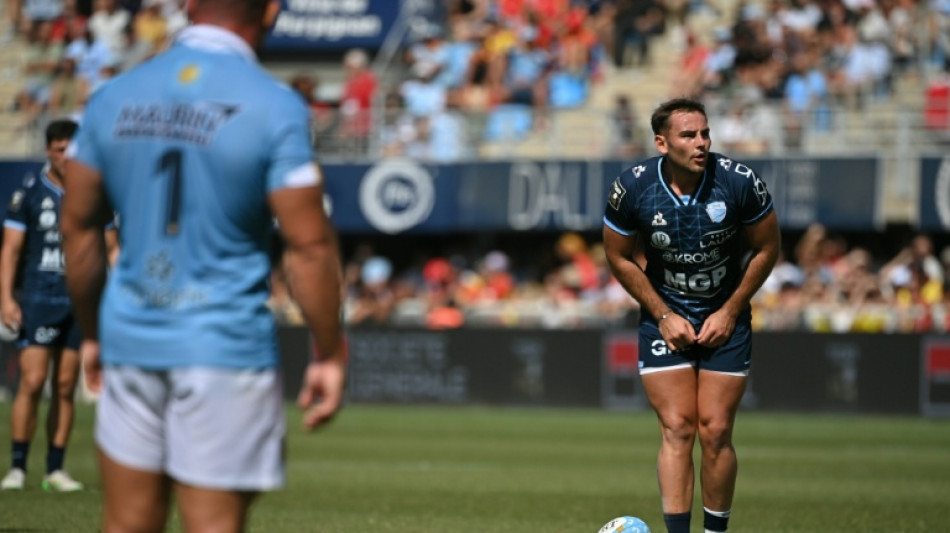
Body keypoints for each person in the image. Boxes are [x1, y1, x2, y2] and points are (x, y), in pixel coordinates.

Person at [60, 0, 348, 529]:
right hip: (224, 347)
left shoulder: (112, 97)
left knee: (125, 523)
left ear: (189, 4)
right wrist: (329, 351)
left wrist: (94, 332)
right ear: (270, 12)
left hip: (131, 339)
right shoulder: (275, 105)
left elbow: (78, 228)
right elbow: (309, 247)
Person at [601, 98, 780, 533]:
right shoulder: (632, 188)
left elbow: (768, 248)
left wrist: (730, 311)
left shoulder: (739, 182)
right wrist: (663, 314)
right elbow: (618, 257)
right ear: (662, 143)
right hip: (665, 316)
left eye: (705, 133)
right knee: (678, 428)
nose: (701, 143)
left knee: (715, 431)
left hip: (726, 316)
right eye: (688, 135)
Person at [0, 119, 93, 492]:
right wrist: (6, 297)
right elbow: (10, 249)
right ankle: (18, 467)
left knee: (66, 384)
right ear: (48, 151)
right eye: (59, 150)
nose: (66, 157)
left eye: (72, 150)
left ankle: (55, 470)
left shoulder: (93, 192)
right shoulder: (29, 192)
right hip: (39, 297)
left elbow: (112, 247)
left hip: (77, 300)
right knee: (34, 380)